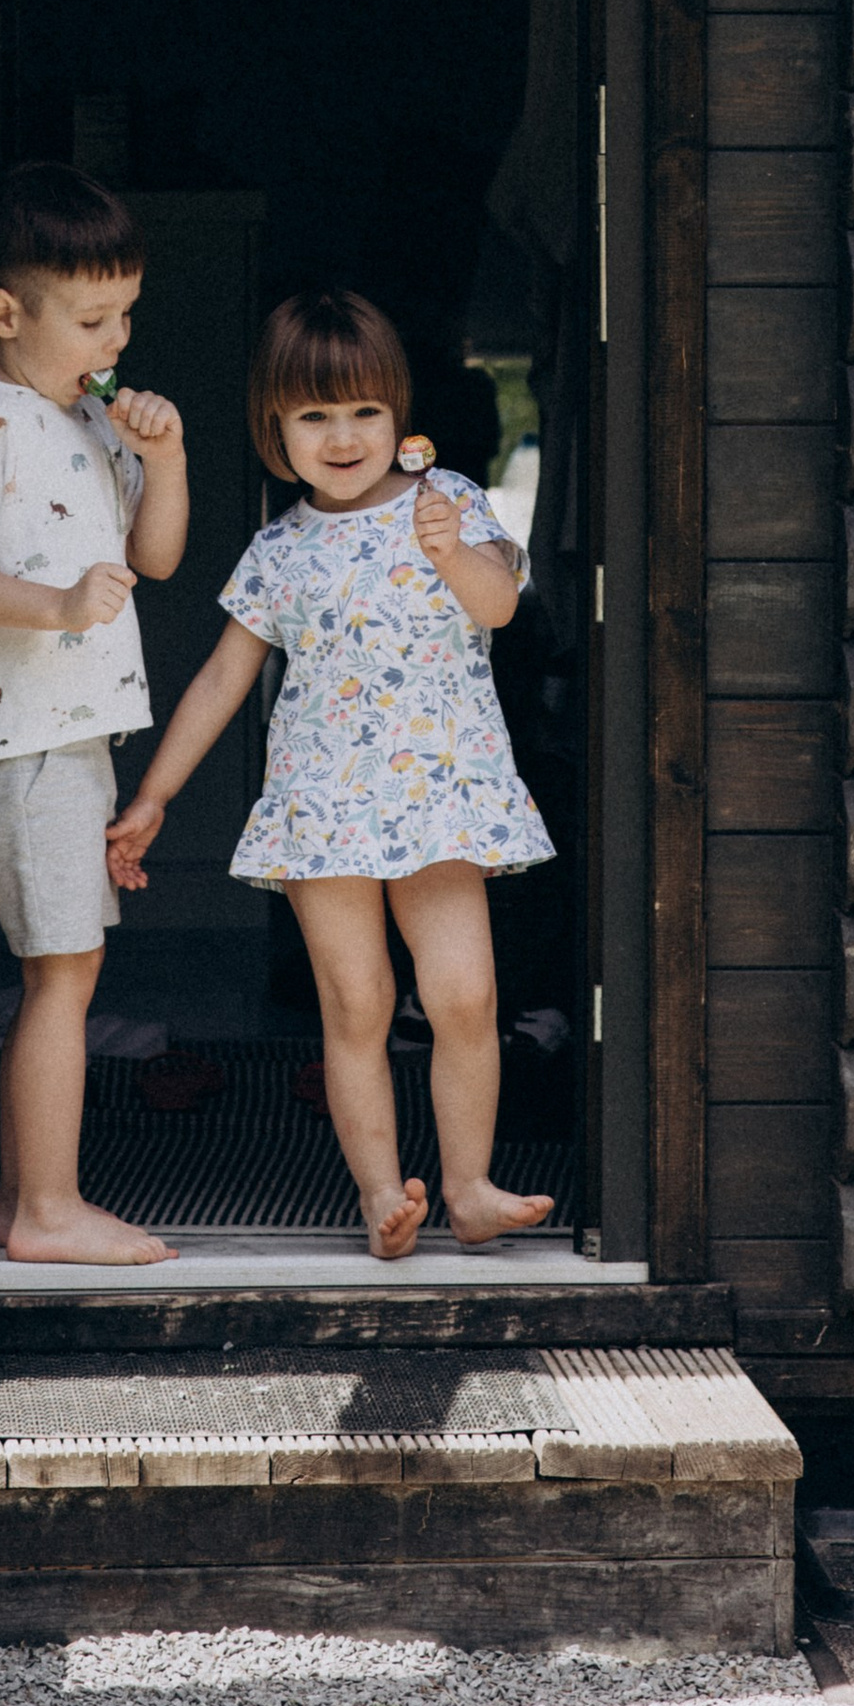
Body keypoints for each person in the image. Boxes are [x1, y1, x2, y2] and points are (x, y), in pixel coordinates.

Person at [105, 287, 555, 1262]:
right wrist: (154, 794)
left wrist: (451, 552)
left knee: (464, 995)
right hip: (325, 805)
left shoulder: (451, 501)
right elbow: (223, 677)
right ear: (275, 429)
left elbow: (498, 607)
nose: (343, 436)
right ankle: (380, 1196)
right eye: (313, 416)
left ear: (399, 415)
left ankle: (470, 1188)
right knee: (355, 1005)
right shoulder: (279, 548)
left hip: (442, 793)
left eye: (364, 410)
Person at [0, 161, 188, 1266]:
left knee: (63, 970)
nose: (114, 340)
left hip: (68, 731)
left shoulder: (87, 418)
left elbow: (156, 557)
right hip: (18, 734)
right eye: (91, 318)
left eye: (127, 313)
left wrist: (164, 459)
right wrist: (59, 606)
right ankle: (46, 1211)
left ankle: (23, 1200)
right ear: (6, 313)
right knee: (63, 971)